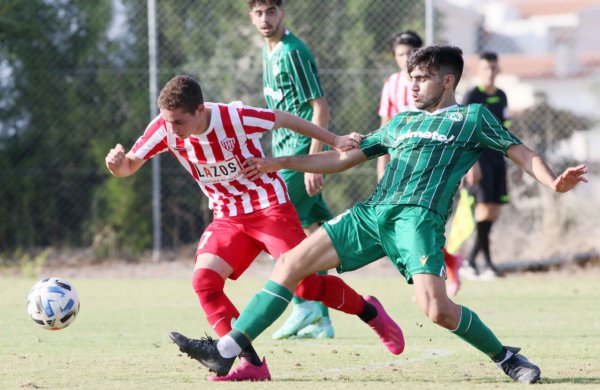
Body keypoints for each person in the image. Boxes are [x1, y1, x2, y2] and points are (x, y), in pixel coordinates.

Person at [170, 45, 588, 384]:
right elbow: (341, 159)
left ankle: (507, 357)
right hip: (371, 213)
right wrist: (281, 164)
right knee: (291, 262)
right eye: (411, 78)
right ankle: (226, 352)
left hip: (418, 220)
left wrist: (553, 182)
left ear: (448, 80)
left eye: (422, 78)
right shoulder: (401, 122)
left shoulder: (472, 117)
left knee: (437, 310)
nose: (414, 86)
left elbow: (521, 152)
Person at [106, 75, 402, 382]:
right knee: (204, 282)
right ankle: (250, 363)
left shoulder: (233, 117)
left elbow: (284, 118)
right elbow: (128, 166)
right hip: (227, 216)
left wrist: (335, 140)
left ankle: (370, 312)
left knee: (305, 286)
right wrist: (116, 165)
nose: (172, 130)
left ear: (199, 110)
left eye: (178, 122)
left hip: (268, 207)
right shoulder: (164, 128)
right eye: (167, 121)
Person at [247, 0, 335, 340]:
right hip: (285, 153)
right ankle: (321, 319)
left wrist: (315, 161)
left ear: (282, 13)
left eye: (271, 11)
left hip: (298, 157)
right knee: (317, 238)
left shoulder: (292, 51)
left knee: (276, 230)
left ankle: (303, 305)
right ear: (251, 16)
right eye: (258, 13)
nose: (265, 19)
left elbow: (320, 107)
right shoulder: (269, 52)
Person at [378, 30, 462, 296]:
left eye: (409, 54)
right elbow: (385, 128)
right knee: (398, 220)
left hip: (430, 163)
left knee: (418, 218)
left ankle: (433, 273)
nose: (405, 59)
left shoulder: (434, 84)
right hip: (402, 162)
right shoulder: (391, 84)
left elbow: (457, 126)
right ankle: (441, 264)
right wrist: (382, 165)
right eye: (400, 55)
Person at [461, 51, 511, 279]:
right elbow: (463, 131)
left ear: (498, 70)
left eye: (493, 68)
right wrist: (470, 164)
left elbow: (505, 129)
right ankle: (488, 265)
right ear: (479, 71)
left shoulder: (501, 95)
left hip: (498, 159)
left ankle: (470, 262)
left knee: (494, 211)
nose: (490, 72)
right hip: (479, 159)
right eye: (485, 68)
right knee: (482, 210)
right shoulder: (472, 95)